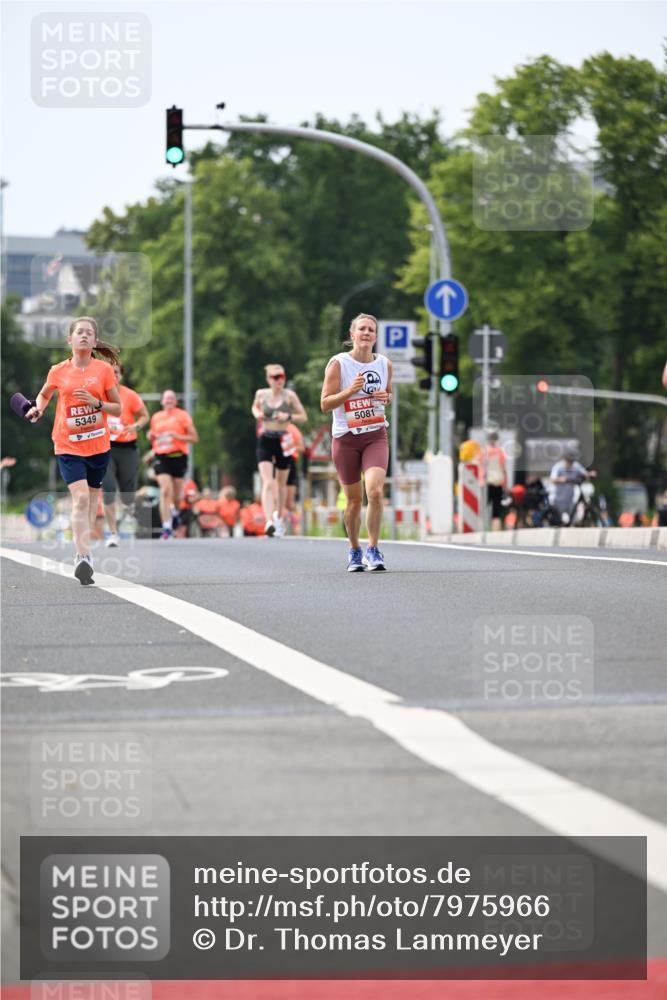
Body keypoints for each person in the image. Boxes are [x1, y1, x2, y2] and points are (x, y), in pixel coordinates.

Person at [25, 317, 121, 585]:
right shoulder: (58, 371)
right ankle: (83, 557)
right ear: (70, 339)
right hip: (68, 444)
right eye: (79, 332)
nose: (83, 336)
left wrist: (97, 403)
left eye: (89, 333)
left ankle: (84, 547)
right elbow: (44, 395)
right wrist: (39, 408)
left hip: (98, 445)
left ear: (93, 341)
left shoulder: (103, 371)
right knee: (80, 499)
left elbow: (118, 408)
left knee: (91, 501)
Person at [320, 312, 392, 571]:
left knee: (374, 491)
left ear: (375, 336)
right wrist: (350, 391)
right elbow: (325, 403)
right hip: (346, 438)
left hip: (375, 435)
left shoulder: (384, 364)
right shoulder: (339, 364)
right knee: (353, 500)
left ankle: (373, 549)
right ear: (352, 335)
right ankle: (354, 550)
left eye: (371, 330)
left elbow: (388, 394)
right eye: (361, 329)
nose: (366, 333)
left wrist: (386, 397)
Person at [251, 365, 307, 537]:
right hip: (266, 438)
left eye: (281, 376)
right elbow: (254, 407)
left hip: (284, 438)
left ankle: (279, 519)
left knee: (282, 484)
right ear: (268, 379)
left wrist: (288, 417)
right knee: (268, 482)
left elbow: (303, 417)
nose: (279, 380)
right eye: (275, 377)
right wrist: (258, 414)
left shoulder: (289, 396)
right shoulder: (261, 394)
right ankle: (269, 520)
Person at [101, 362, 149, 546]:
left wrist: (135, 426)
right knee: (109, 489)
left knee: (128, 492)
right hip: (105, 447)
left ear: (120, 375)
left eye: (116, 372)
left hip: (127, 447)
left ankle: (128, 506)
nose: (113, 375)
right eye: (109, 372)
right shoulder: (99, 394)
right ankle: (113, 533)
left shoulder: (130, 395)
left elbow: (145, 415)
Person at [147, 389, 199, 539]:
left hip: (178, 456)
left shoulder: (182, 415)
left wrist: (178, 436)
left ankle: (175, 513)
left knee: (176, 496)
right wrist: (150, 436)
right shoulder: (156, 417)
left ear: (175, 401)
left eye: (171, 398)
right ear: (162, 401)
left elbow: (194, 438)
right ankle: (167, 527)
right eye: (166, 398)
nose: (169, 401)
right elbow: (152, 437)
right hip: (161, 456)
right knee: (165, 490)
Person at [549, 451, 596, 524]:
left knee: (573, 519)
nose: (570, 463)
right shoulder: (558, 467)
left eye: (571, 461)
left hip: (570, 498)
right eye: (568, 461)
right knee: (559, 520)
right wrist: (560, 479)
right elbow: (552, 479)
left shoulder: (576, 466)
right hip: (559, 499)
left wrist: (591, 474)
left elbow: (584, 473)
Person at [481, 430, 507, 531]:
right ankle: (496, 531)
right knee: (496, 510)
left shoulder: (484, 452)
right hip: (498, 482)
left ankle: (483, 529)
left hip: (487, 483)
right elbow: (503, 469)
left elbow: (481, 468)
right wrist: (505, 484)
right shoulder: (500, 452)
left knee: (483, 508)